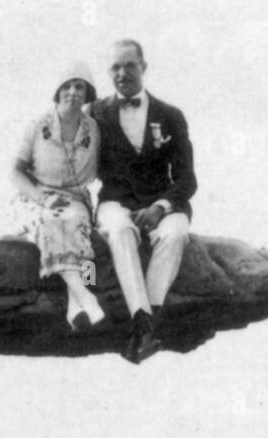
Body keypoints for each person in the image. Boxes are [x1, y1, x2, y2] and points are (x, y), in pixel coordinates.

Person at [88, 39, 197, 363]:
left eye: (129, 65)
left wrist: (160, 207)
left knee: (175, 233)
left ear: (144, 67)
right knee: (119, 231)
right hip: (115, 203)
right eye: (115, 67)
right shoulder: (94, 113)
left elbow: (187, 179)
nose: (122, 73)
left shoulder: (171, 115)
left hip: (161, 203)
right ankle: (144, 324)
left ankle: (143, 328)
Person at [10, 62, 106, 332]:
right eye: (67, 86)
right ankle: (87, 297)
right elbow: (15, 172)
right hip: (35, 197)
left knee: (80, 231)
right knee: (50, 221)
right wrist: (43, 199)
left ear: (87, 93)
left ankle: (75, 308)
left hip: (75, 200)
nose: (73, 92)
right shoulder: (38, 125)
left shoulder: (94, 130)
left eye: (79, 86)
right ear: (57, 91)